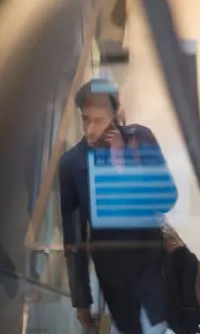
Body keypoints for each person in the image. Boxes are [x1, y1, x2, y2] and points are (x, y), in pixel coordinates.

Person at [59, 79, 171, 334]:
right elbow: (73, 237)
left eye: (98, 120)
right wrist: (81, 299)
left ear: (116, 115)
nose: (90, 129)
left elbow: (165, 200)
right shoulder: (72, 165)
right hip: (113, 272)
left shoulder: (141, 139)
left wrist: (126, 164)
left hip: (151, 259)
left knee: (158, 325)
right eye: (85, 119)